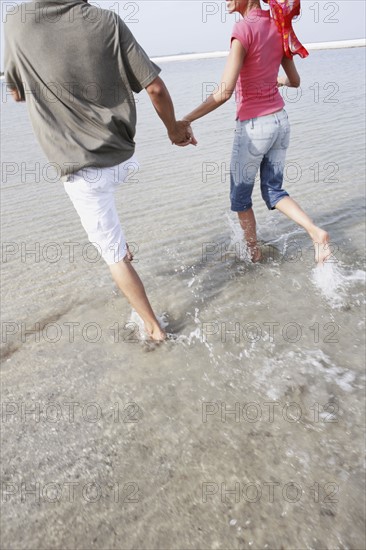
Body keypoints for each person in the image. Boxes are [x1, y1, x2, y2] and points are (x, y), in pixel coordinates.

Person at [4, 0, 196, 342]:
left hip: (83, 170)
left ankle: (155, 331)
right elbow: (154, 88)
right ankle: (121, 247)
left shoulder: (17, 21)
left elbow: (17, 93)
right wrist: (174, 130)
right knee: (112, 233)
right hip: (122, 155)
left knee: (113, 257)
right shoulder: (108, 22)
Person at [183, 0, 330, 264]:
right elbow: (295, 81)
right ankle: (315, 232)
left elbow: (224, 92)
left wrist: (186, 119)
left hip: (254, 128)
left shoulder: (242, 29)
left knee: (240, 199)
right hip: (280, 122)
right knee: (273, 191)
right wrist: (276, 80)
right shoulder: (278, 24)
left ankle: (254, 257)